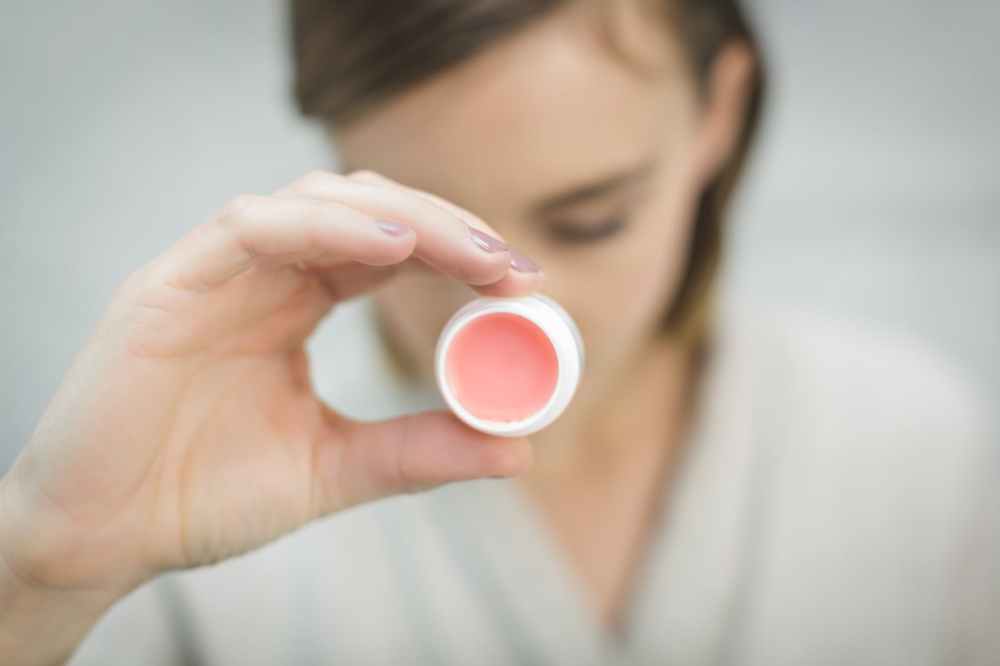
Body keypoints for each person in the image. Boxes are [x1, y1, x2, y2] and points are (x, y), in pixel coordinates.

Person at [2, 1, 996, 664]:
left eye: (590, 219)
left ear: (716, 116)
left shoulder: (914, 452)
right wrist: (45, 568)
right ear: (341, 158)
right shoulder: (192, 499)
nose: (508, 303)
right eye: (422, 235)